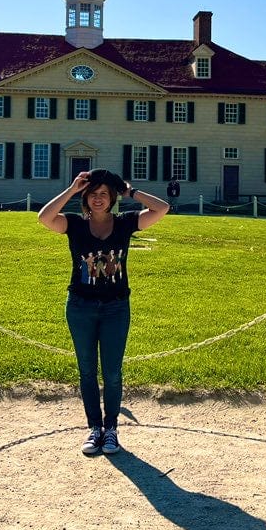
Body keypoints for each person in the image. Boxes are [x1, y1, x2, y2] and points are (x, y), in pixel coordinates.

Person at [37, 168, 169, 456]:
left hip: (116, 307)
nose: (98, 199)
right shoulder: (74, 224)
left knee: (112, 372)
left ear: (112, 198)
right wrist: (72, 189)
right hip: (80, 306)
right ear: (86, 197)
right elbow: (44, 218)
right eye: (93, 194)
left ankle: (111, 429)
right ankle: (94, 428)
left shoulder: (125, 223)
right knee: (86, 371)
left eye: (104, 194)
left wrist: (130, 191)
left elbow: (162, 208)